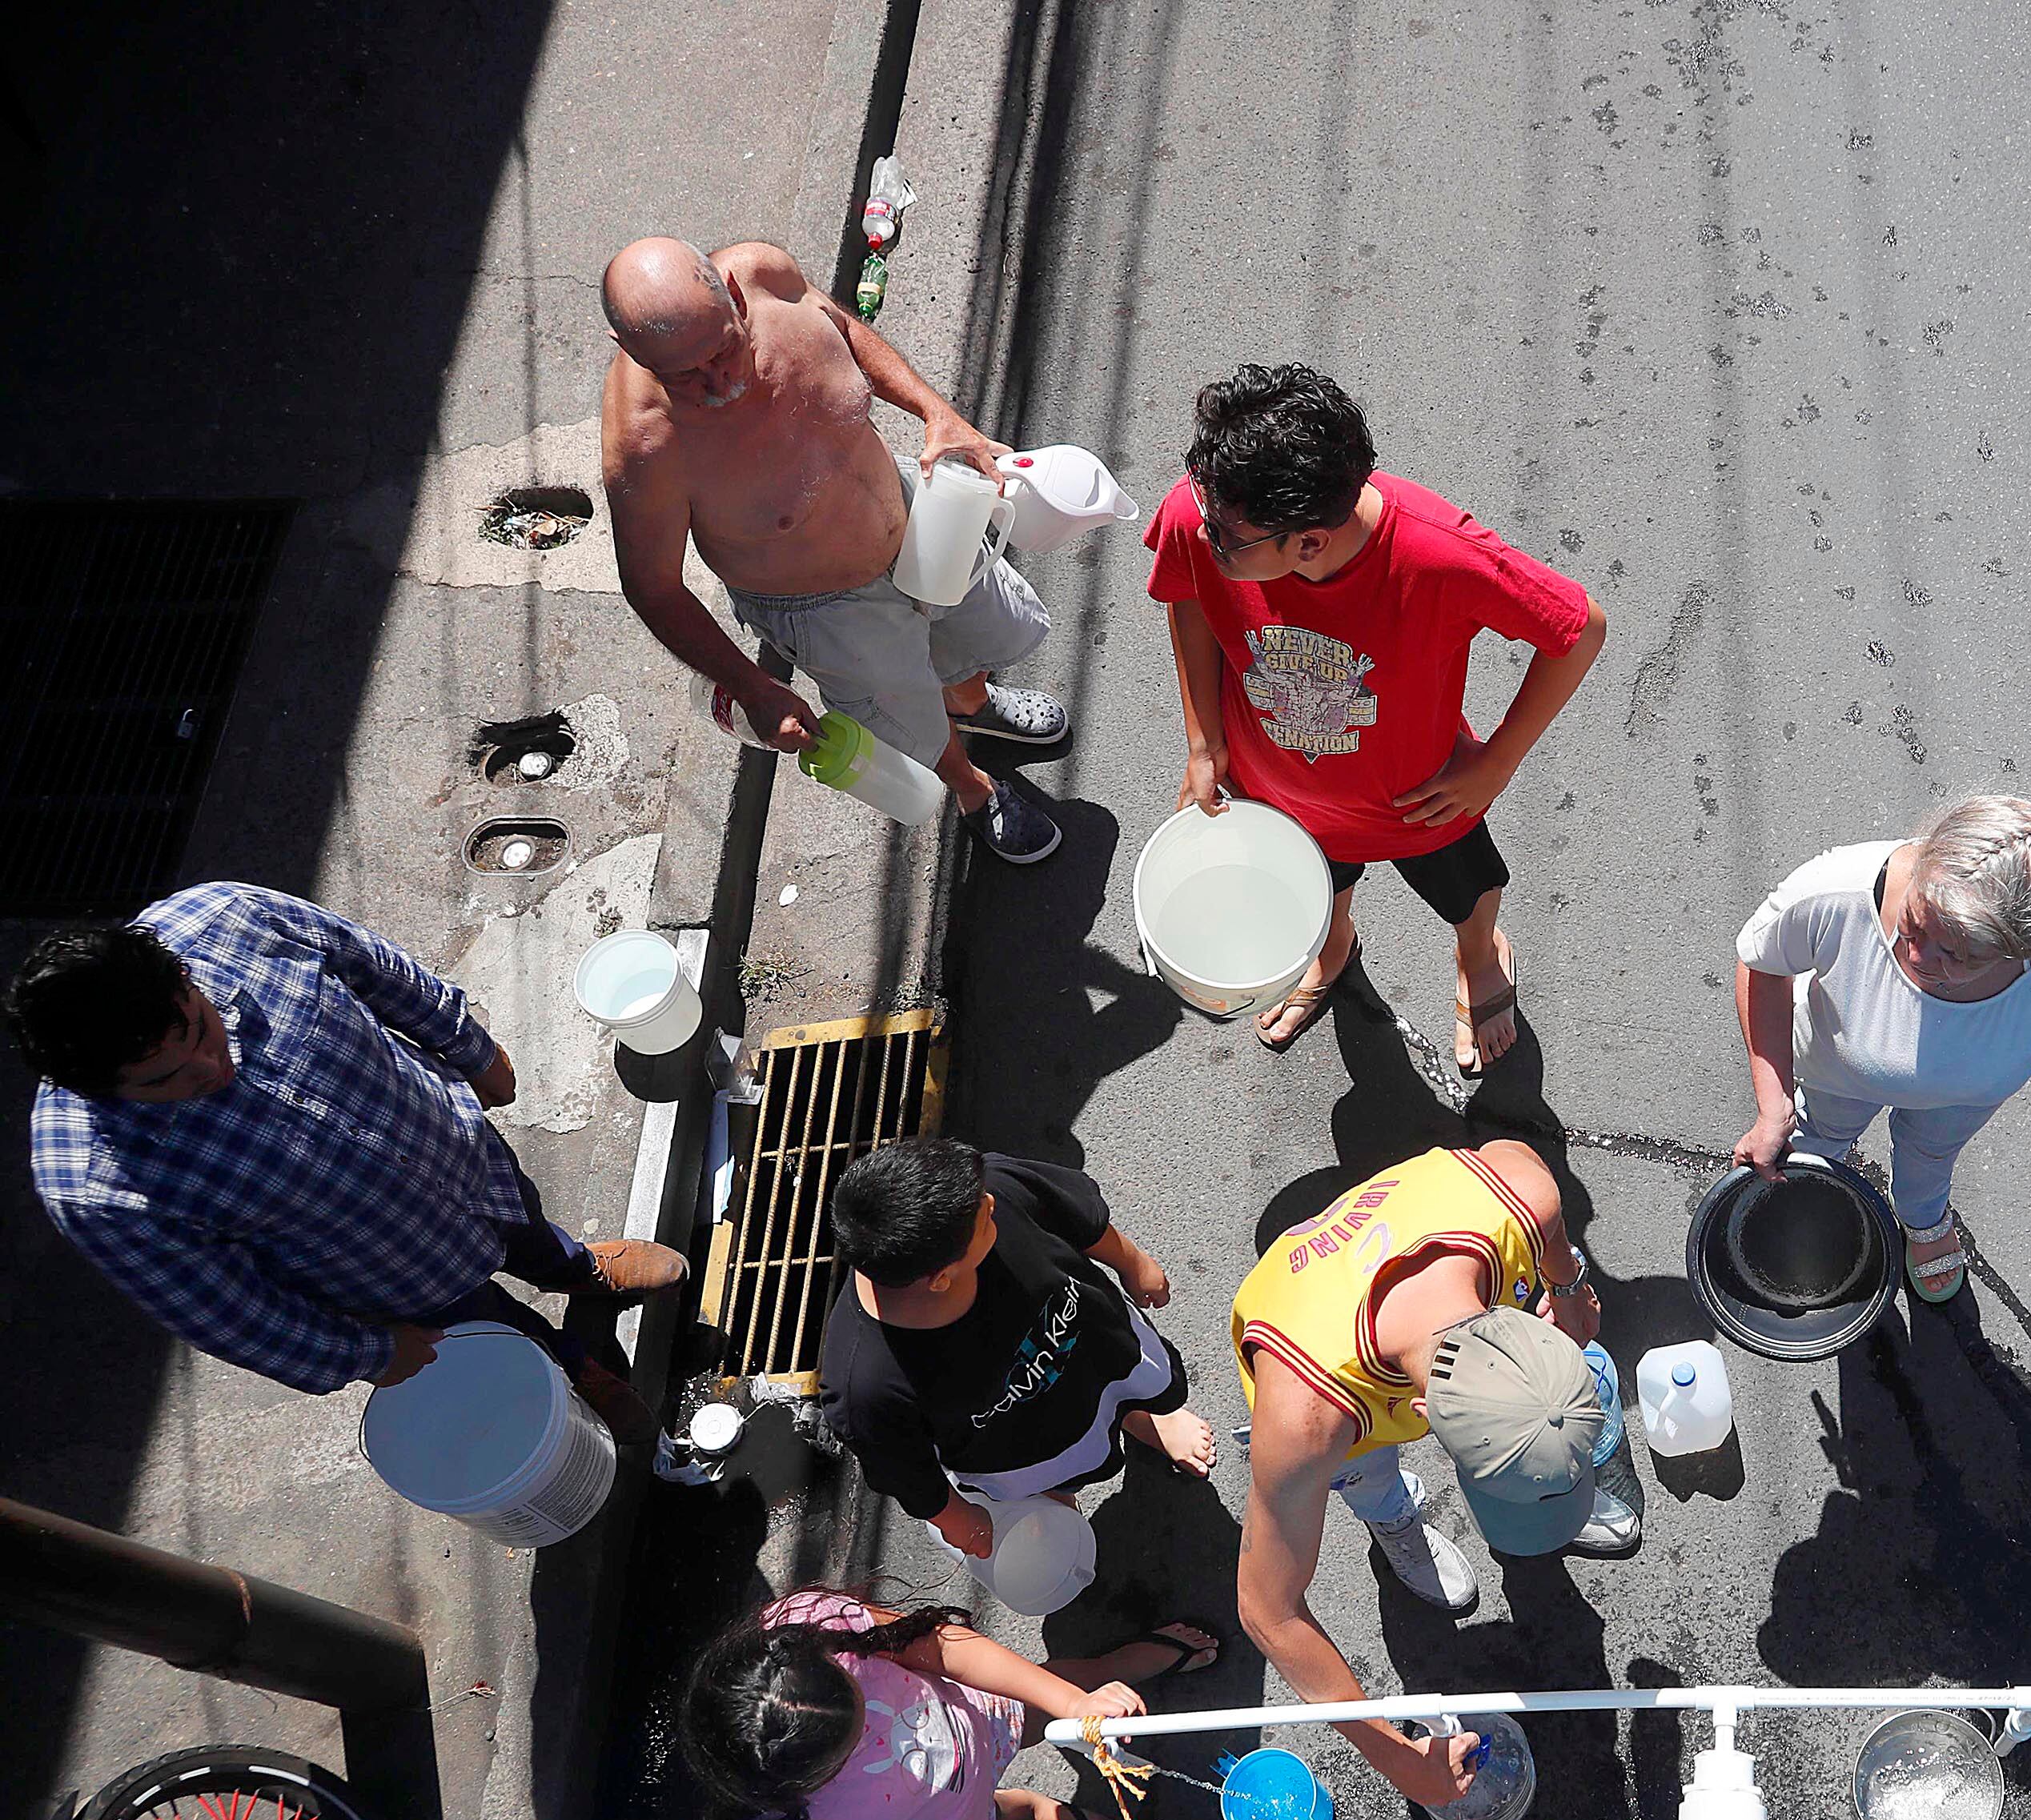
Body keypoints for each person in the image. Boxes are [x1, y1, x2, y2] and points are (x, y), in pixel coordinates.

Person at [10, 884, 680, 1420]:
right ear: (101, 1090)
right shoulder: (94, 1187)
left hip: (462, 1152)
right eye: (165, 1080)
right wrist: (366, 1353)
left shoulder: (224, 916)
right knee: (494, 1332)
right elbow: (230, 1313)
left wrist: (471, 1048)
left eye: (201, 1027)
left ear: (183, 974)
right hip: (398, 1275)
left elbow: (371, 964)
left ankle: (578, 1268)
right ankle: (571, 1367)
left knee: (528, 1225)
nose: (211, 1067)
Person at [1145, 363, 1607, 1068]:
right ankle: (1332, 949)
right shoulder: (1211, 510)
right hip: (1278, 795)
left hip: (1420, 801)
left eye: (1225, 541)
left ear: (1308, 542)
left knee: (1468, 894)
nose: (1202, 536)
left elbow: (1579, 628)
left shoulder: (1441, 555)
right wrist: (1204, 741)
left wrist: (1496, 762)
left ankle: (1479, 958)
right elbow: (1187, 592)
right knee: (1316, 891)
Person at [599, 236, 1068, 864]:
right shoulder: (645, 448)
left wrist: (935, 411)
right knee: (906, 715)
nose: (720, 383)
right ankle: (973, 788)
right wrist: (751, 686)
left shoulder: (765, 274)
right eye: (687, 376)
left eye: (725, 350)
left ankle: (974, 704)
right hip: (825, 608)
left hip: (907, 509)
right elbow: (653, 588)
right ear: (630, 351)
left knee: (970, 626)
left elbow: (844, 329)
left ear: (735, 296)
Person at [1229, 1141, 1630, 1806]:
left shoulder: (1524, 1202)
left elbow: (1535, 1194)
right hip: (1317, 1344)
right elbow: (1268, 1610)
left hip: (1382, 1301)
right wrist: (1400, 1760)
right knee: (1367, 1475)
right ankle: (1393, 1519)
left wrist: (1567, 1284)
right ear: (1422, 1417)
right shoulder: (1306, 1423)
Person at [1729, 796, 2031, 1304]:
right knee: (1819, 1136)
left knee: (1931, 1155)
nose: (1918, 955)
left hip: (1964, 1098)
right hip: (1838, 1077)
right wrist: (1774, 1106)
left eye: (1956, 953)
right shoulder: (1835, 892)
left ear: (2027, 949)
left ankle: (1922, 1216)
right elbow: (1762, 964)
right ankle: (1811, 1183)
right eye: (1915, 923)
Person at [679, 1586, 1222, 1820]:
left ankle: (1111, 1668)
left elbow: (936, 1645)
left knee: (1058, 1689)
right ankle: (1021, 1812)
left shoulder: (808, 1628)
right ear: (786, 1790)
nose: (873, 1732)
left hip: (980, 1719)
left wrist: (1073, 1703)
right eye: (850, 1748)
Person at [821, 1138, 1218, 1565]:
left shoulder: (990, 1188)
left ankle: (1139, 1416)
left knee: (1124, 1391)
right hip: (1026, 1443)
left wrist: (1133, 1263)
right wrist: (955, 1519)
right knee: (1060, 1473)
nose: (991, 1202)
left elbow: (1076, 1216)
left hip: (1101, 1351)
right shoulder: (867, 1385)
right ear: (941, 1279)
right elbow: (906, 1471)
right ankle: (1057, 1491)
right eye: (982, 1217)